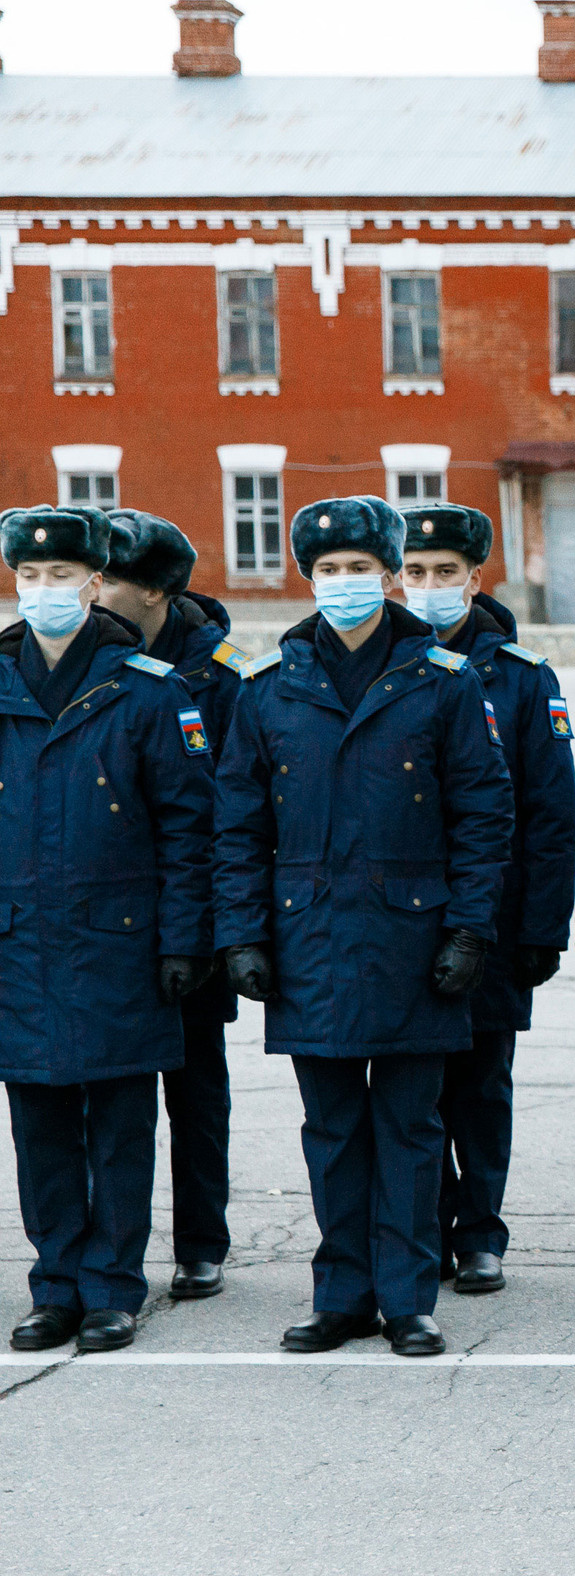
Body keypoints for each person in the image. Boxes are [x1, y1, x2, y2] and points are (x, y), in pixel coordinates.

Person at [214, 496, 514, 1358]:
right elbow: (236, 827)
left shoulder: (445, 684)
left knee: (412, 1127)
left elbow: (483, 819)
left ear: (389, 577)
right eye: (328, 570)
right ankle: (341, 1291)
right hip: (309, 940)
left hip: (415, 943)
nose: (344, 584)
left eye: (359, 569)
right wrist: (243, 933)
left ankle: (408, 1295)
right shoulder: (270, 692)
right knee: (333, 1128)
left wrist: (468, 930)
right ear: (309, 578)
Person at [1, 506, 216, 1354]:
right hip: (19, 941)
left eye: (63, 578)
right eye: (31, 577)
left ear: (95, 584)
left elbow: (189, 830)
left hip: (120, 941)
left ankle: (112, 1287)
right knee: (41, 1124)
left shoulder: (147, 690)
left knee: (123, 1125)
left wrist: (182, 942)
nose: (45, 592)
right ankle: (55, 1282)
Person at [394, 503, 575, 1297]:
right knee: (412, 1085)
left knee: (482, 1084)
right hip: (402, 918)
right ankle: (424, 1226)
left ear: (476, 579)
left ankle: (482, 1233)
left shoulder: (523, 677)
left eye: (446, 573)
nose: (431, 587)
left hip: (492, 920)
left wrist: (541, 927)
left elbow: (550, 815)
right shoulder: (389, 664)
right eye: (418, 573)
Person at [94, 508, 249, 1304]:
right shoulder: (92, 662)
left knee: (196, 1091)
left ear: (155, 589)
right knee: (108, 1092)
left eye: (109, 577)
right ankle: (109, 1246)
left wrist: (225, 930)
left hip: (198, 915)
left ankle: (200, 1245)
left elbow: (236, 810)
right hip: (106, 920)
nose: (93, 591)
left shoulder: (222, 676)